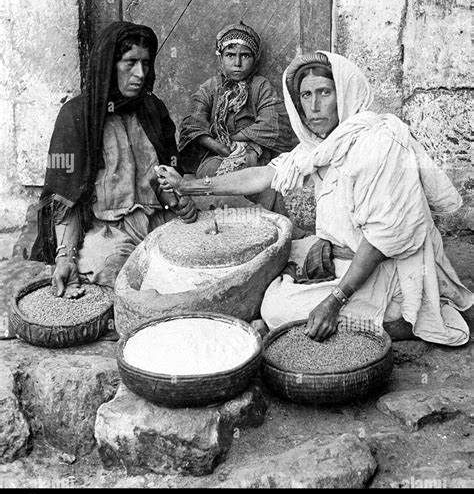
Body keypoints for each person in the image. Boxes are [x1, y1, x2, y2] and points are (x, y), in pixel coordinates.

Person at [157, 50, 472, 346]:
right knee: (274, 256)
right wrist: (193, 186)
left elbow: (381, 240)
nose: (314, 105)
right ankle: (355, 307)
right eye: (306, 95)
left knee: (276, 309)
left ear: (344, 94)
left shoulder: (378, 141)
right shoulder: (325, 144)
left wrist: (334, 300)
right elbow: (266, 174)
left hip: (388, 267)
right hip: (346, 253)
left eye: (325, 92)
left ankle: (398, 322)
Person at [31, 21, 197, 298]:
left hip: (159, 221)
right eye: (129, 63)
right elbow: (63, 198)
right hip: (110, 231)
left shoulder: (153, 109)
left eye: (146, 63)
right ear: (108, 65)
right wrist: (65, 257)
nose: (140, 73)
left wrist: (177, 200)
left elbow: (164, 173)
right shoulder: (76, 116)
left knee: (199, 266)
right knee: (111, 277)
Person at [178, 21, 294, 209]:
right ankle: (238, 215)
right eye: (230, 55)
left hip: (254, 153)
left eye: (245, 55)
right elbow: (193, 123)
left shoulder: (260, 86)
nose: (237, 63)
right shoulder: (211, 87)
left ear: (255, 59)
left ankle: (253, 215)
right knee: (210, 175)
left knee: (257, 178)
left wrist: (234, 140)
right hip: (217, 153)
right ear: (220, 58)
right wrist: (220, 147)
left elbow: (272, 123)